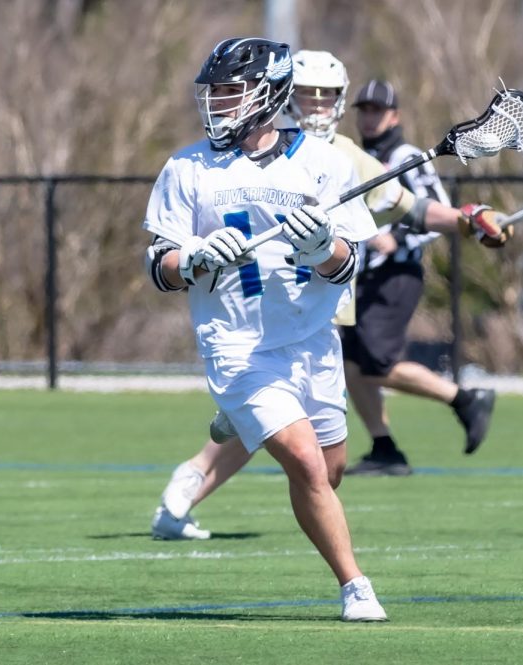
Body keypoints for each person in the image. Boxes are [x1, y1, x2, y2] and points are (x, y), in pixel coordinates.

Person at [151, 50, 511, 542]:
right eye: (305, 94)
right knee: (293, 435)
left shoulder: (340, 156)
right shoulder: (219, 159)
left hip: (322, 307)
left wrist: (468, 219)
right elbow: (168, 256)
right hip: (253, 321)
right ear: (283, 95)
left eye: (325, 96)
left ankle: (201, 471)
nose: (316, 105)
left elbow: (407, 207)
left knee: (319, 445)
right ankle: (196, 476)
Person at [143, 37, 389, 622]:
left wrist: (320, 246)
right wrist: (196, 257)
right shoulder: (186, 167)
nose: (218, 105)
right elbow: (159, 265)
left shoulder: (324, 163)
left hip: (310, 342)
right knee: (304, 463)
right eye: (214, 94)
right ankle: (355, 586)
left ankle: (237, 421)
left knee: (329, 472)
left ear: (269, 95)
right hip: (236, 344)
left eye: (231, 93)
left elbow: (349, 262)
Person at [341, 78, 501, 476]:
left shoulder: (407, 155)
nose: (369, 117)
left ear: (394, 115)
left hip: (397, 274)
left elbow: (437, 214)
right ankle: (384, 448)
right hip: (363, 278)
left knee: (376, 363)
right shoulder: (358, 156)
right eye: (364, 110)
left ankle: (464, 398)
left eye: (377, 110)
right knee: (350, 366)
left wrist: (393, 237)